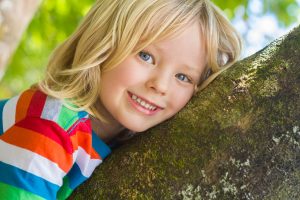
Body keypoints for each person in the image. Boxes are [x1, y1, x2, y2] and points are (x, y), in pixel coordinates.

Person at [0, 0, 242, 199]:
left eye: (183, 76)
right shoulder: (51, 126)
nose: (159, 85)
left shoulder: (120, 139)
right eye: (146, 56)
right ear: (104, 43)